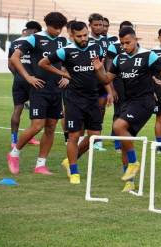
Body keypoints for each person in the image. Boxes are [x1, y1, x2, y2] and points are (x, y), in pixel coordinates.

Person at [96, 27, 161, 192]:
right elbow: (106, 79)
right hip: (129, 103)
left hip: (145, 101)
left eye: (128, 42)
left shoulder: (148, 55)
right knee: (125, 141)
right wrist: (98, 69)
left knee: (117, 127)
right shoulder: (119, 59)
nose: (124, 46)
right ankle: (129, 182)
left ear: (136, 39)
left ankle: (134, 162)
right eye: (122, 43)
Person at [39, 21, 107, 184]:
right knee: (74, 136)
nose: (84, 38)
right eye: (79, 36)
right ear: (71, 35)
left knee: (95, 137)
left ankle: (70, 160)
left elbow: (102, 74)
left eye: (85, 35)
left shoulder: (96, 48)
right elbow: (43, 63)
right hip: (74, 99)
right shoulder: (65, 51)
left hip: (92, 98)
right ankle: (74, 172)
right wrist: (62, 74)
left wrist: (99, 71)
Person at [7, 12, 68, 175]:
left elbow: (71, 59)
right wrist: (27, 76)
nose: (58, 31)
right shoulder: (35, 38)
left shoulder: (63, 41)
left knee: (51, 127)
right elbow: (14, 58)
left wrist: (66, 76)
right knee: (37, 126)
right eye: (55, 28)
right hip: (39, 89)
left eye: (60, 28)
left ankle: (40, 165)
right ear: (47, 25)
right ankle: (14, 154)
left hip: (56, 90)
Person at [8, 21, 42, 149]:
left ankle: (14, 140)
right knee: (34, 111)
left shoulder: (15, 42)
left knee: (17, 109)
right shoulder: (36, 40)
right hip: (33, 79)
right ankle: (30, 137)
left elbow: (10, 64)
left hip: (18, 79)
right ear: (35, 30)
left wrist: (18, 76)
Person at [106, 21, 134, 153]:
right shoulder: (113, 47)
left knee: (128, 112)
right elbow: (109, 69)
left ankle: (123, 137)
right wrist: (111, 89)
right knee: (119, 112)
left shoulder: (137, 48)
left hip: (131, 84)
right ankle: (117, 142)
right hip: (117, 83)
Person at [88, 13, 114, 151]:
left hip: (102, 81)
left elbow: (107, 63)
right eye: (96, 25)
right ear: (90, 25)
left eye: (101, 25)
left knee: (101, 109)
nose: (99, 28)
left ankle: (97, 139)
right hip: (87, 82)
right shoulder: (85, 40)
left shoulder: (105, 41)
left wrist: (110, 87)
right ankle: (80, 138)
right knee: (86, 111)